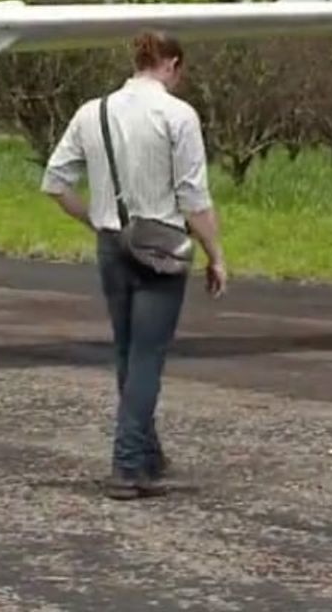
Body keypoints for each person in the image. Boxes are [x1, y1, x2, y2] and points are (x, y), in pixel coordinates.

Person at [41, 29, 227, 499]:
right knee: (147, 357)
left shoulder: (93, 111)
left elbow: (55, 182)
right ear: (173, 65)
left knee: (127, 351)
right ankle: (127, 466)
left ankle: (147, 452)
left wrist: (96, 221)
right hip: (161, 244)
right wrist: (216, 255)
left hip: (110, 242)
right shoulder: (178, 115)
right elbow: (193, 198)